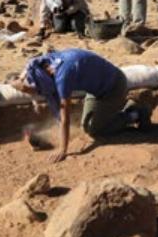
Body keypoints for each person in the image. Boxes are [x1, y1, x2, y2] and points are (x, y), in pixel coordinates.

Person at [14, 49, 146, 163]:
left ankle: (134, 113)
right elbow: (30, 64)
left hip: (114, 87)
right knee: (86, 125)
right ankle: (117, 109)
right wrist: (20, 81)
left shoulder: (62, 77)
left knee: (95, 131)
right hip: (96, 90)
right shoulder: (45, 62)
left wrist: (62, 149)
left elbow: (64, 116)